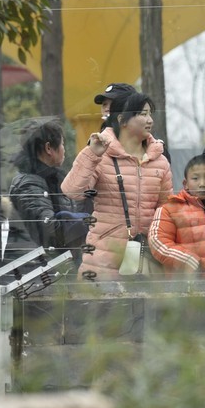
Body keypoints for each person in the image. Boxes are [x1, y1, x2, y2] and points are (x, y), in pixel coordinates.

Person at [62, 92, 173, 279]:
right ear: (122, 119)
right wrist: (91, 154)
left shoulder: (160, 160)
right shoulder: (100, 154)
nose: (150, 120)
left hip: (146, 261)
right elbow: (72, 191)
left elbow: (166, 210)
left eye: (150, 114)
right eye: (143, 114)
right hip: (103, 261)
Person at [8, 119, 88, 262]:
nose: (64, 149)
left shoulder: (52, 178)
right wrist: (88, 222)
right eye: (62, 144)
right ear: (49, 148)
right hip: (38, 269)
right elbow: (49, 229)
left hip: (55, 264)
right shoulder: (29, 184)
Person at [148, 154, 205, 275]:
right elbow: (157, 241)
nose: (202, 184)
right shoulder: (169, 208)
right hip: (183, 285)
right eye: (195, 179)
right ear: (185, 183)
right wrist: (188, 261)